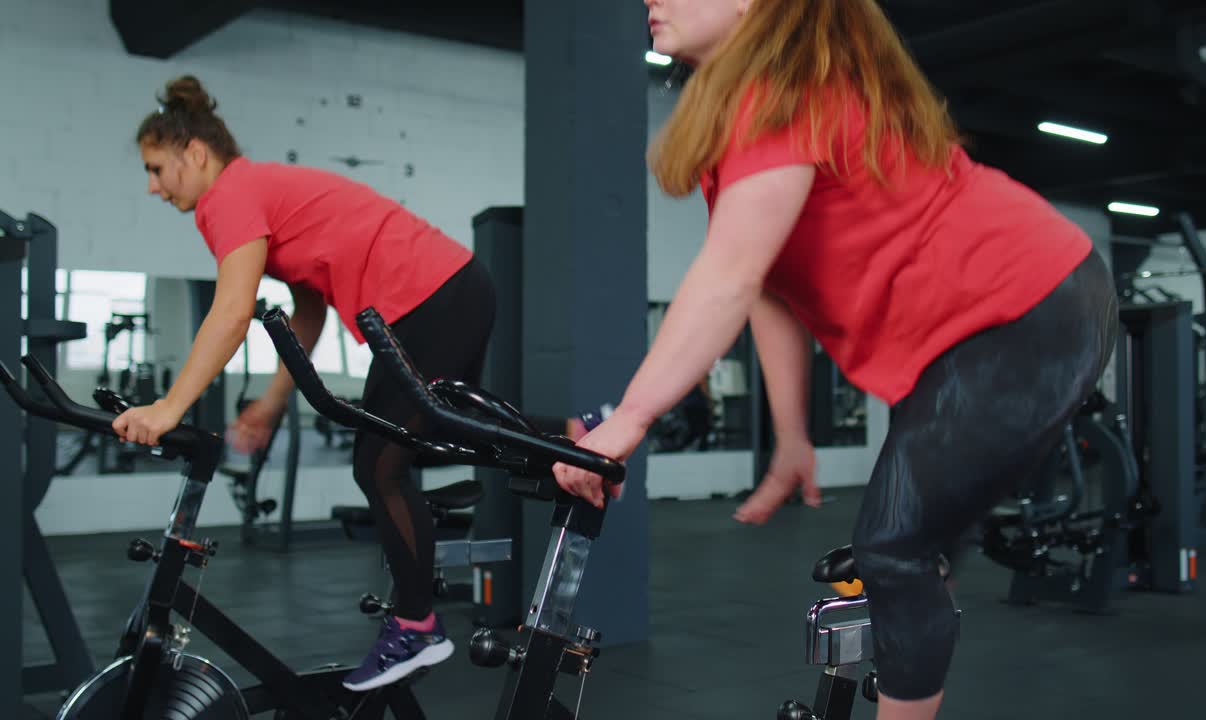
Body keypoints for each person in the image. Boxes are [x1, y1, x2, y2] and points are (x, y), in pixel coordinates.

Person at [551, 1, 1119, 718]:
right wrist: (792, 437)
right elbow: (768, 292)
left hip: (1025, 305)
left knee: (893, 546)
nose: (650, 0)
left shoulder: (780, 95)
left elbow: (726, 280)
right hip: (975, 333)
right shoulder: (749, 113)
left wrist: (628, 420)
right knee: (909, 554)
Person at [112, 75, 492, 691]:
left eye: (157, 169)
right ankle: (577, 433)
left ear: (196, 154)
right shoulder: (256, 189)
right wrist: (268, 403)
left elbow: (233, 310)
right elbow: (307, 314)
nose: (153, 187)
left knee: (380, 466)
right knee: (459, 435)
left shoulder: (227, 197)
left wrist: (170, 405)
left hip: (426, 297)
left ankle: (418, 629)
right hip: (451, 288)